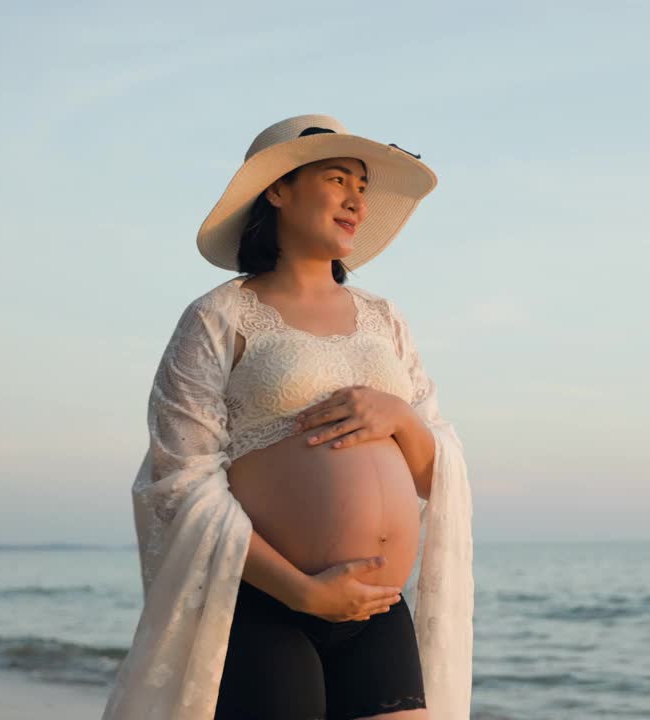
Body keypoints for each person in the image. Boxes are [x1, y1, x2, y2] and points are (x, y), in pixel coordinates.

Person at [101, 115, 474, 720]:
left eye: (362, 185)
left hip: (377, 608)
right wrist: (304, 591)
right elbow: (180, 482)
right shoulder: (218, 317)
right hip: (264, 604)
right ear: (277, 189)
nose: (357, 198)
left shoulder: (385, 319)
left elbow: (437, 476)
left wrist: (401, 418)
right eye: (337, 178)